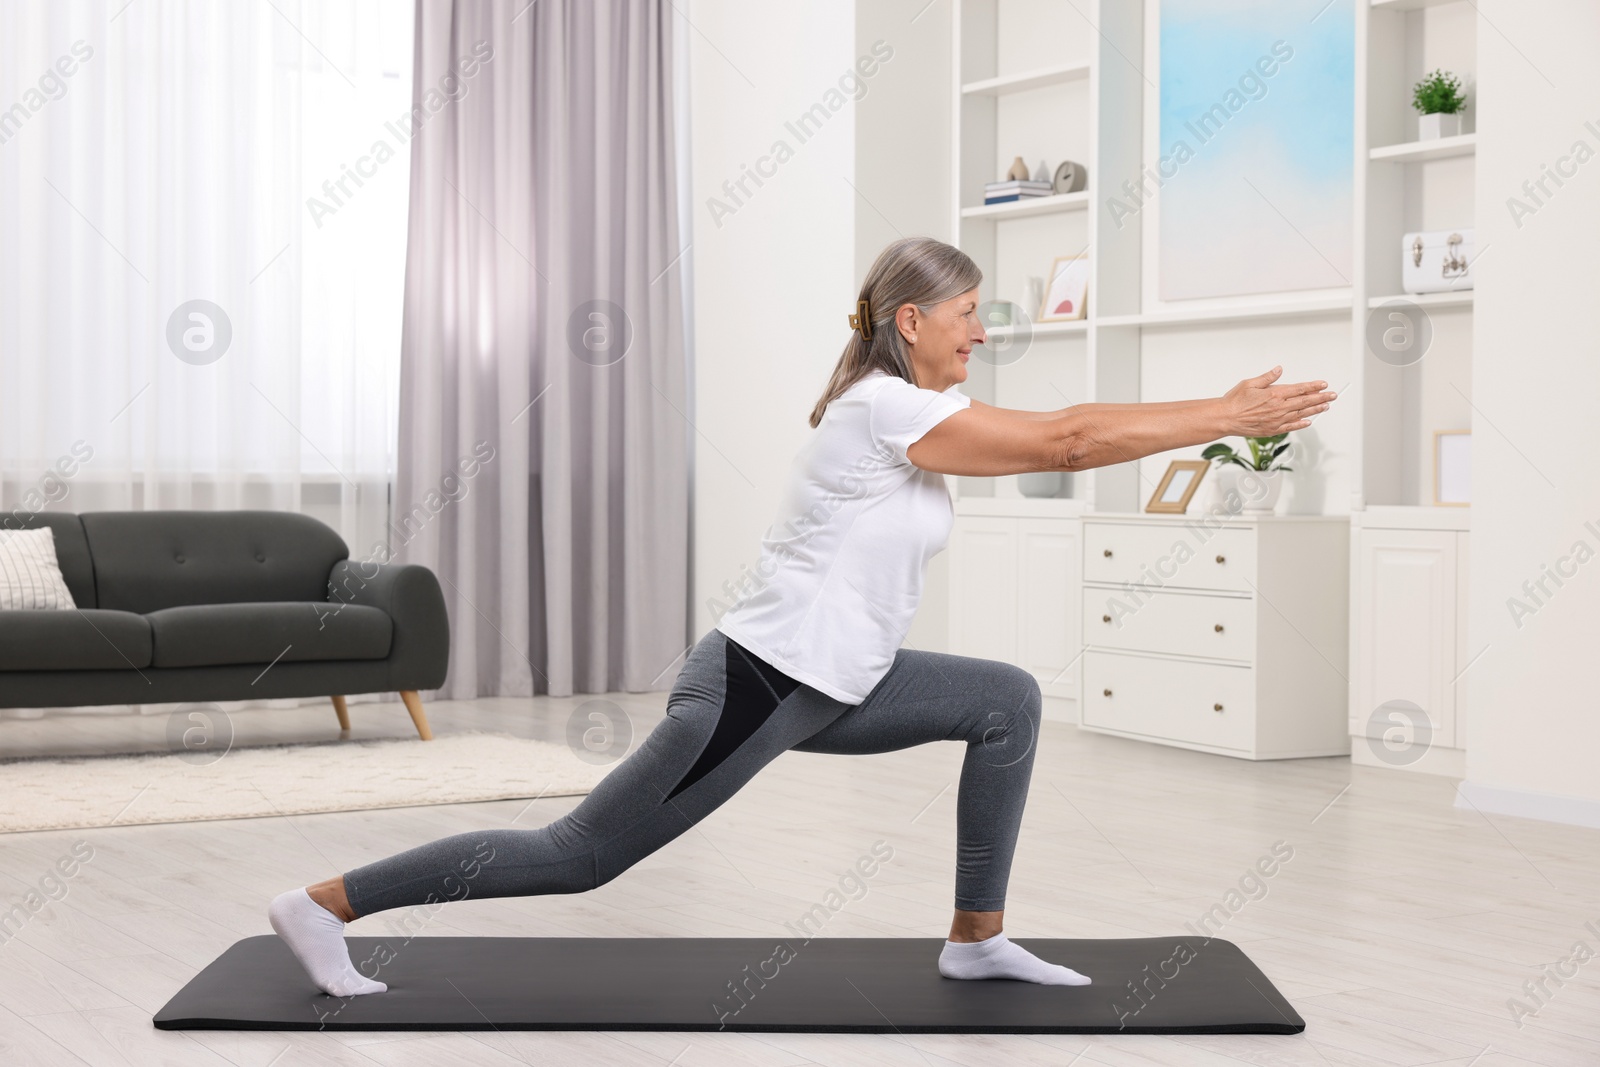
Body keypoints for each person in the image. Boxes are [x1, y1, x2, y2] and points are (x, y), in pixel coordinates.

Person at [268, 235, 1337, 997]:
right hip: (758, 683)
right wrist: (1222, 414)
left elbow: (1052, 436)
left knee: (1004, 700)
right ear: (912, 321)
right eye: (969, 316)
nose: (982, 333)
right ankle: (325, 903)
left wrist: (1212, 416)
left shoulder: (906, 412)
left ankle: (976, 937)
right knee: (581, 851)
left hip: (840, 684)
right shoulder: (884, 409)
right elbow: (1060, 440)